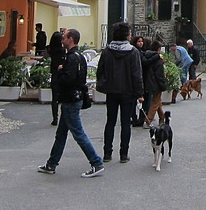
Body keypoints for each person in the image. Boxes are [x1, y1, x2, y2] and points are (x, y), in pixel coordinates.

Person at [38, 28, 104, 178]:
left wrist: (60, 71)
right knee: (61, 134)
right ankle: (51, 164)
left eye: (64, 38)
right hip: (74, 98)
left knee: (78, 133)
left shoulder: (72, 58)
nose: (62, 40)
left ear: (71, 39)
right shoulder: (79, 56)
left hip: (70, 99)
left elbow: (69, 79)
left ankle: (96, 162)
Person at [96, 22, 144, 163]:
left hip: (111, 90)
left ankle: (107, 153)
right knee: (125, 123)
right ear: (126, 35)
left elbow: (100, 71)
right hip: (127, 91)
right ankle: (123, 154)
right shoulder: (133, 52)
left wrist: (103, 83)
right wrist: (139, 92)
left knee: (110, 121)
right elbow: (137, 74)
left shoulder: (107, 51)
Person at [143, 41, 168, 126]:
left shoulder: (147, 56)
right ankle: (148, 120)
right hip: (156, 83)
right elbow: (159, 75)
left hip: (149, 82)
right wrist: (163, 85)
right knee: (155, 102)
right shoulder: (158, 60)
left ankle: (162, 118)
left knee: (158, 101)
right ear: (159, 49)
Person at [47, 29, 65, 126]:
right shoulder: (62, 50)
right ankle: (62, 117)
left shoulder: (50, 49)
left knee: (54, 99)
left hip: (54, 74)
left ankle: (55, 118)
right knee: (62, 97)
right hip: (61, 75)